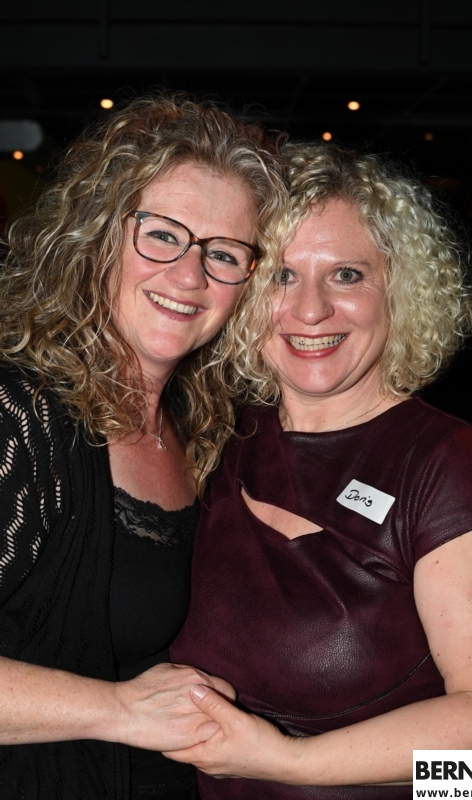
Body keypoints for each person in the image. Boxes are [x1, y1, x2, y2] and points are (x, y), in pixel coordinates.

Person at [168, 142, 472, 798]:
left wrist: (292, 764)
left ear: (400, 290)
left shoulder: (449, 464)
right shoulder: (218, 437)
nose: (310, 309)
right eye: (281, 275)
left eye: (345, 275)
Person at [0, 93, 286, 800]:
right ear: (97, 234)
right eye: (161, 235)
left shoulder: (204, 424)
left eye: (224, 254)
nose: (190, 276)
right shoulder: (19, 413)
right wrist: (118, 710)